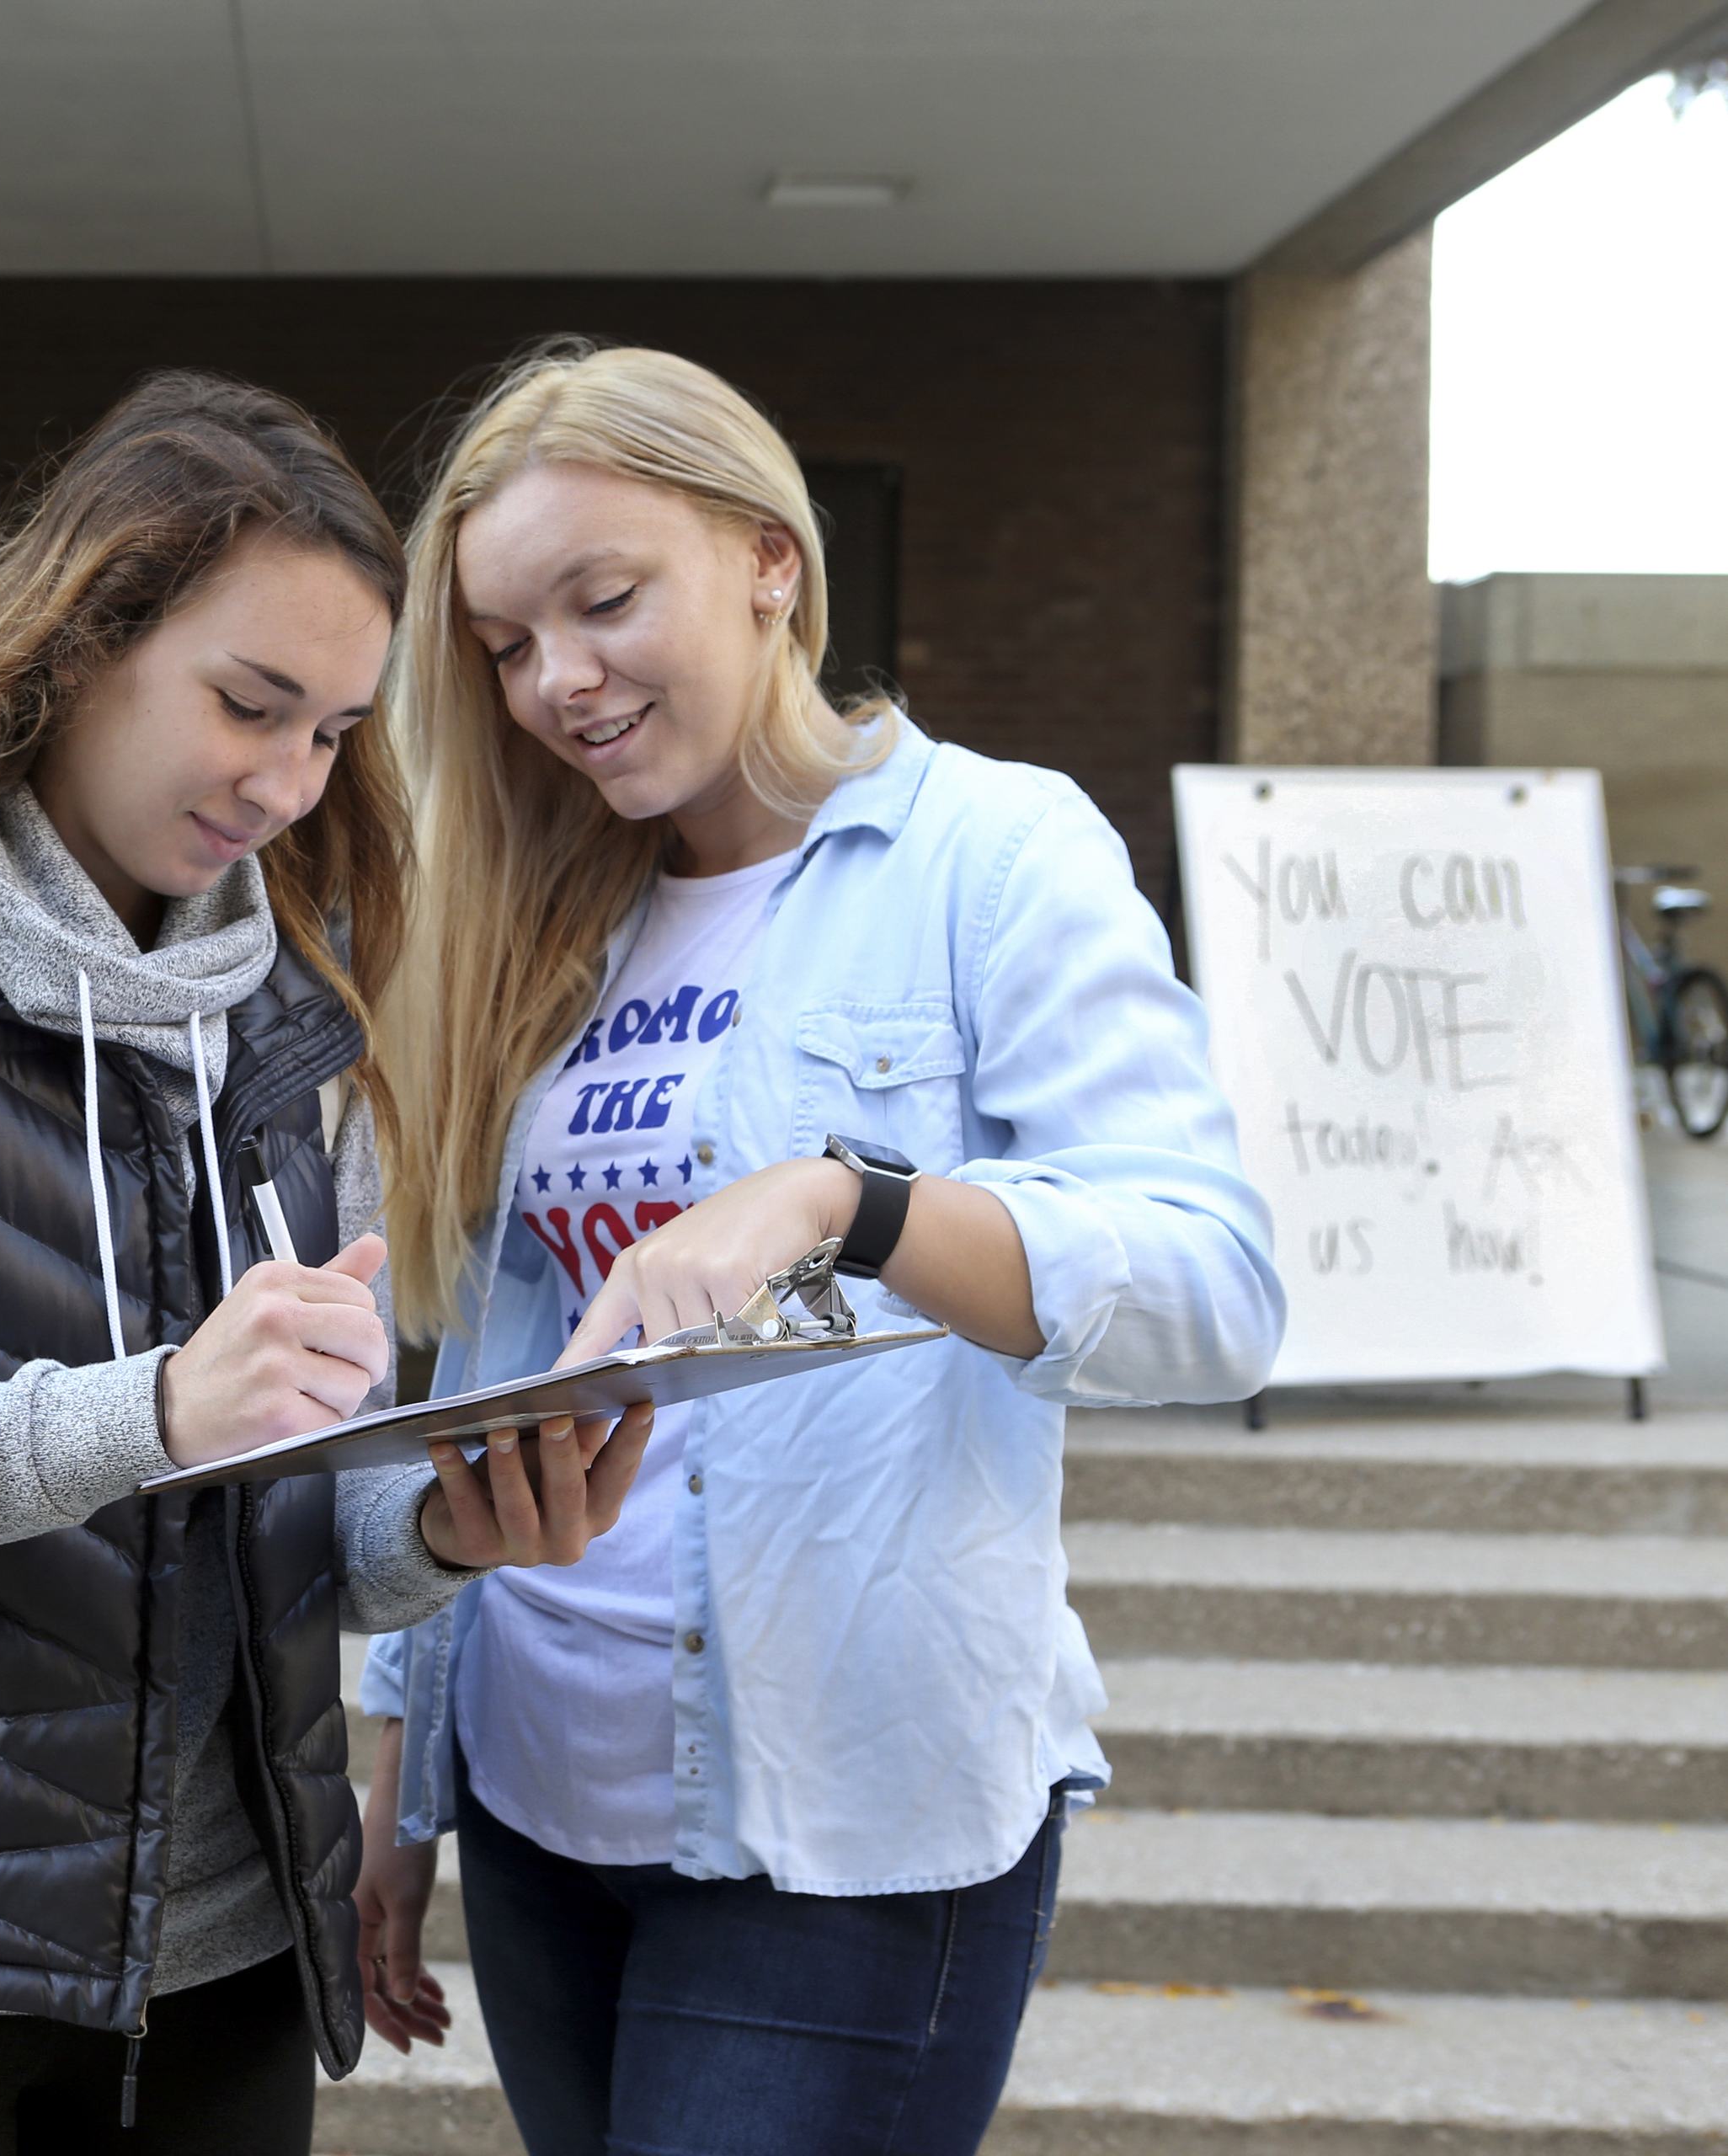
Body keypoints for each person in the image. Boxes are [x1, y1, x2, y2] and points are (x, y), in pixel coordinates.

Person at [0, 370, 650, 2156]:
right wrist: (163, 1402)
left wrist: (435, 1532)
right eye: (248, 704)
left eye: (332, 730)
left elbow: (294, 1501)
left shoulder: (301, 1020)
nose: (286, 780)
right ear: (80, 641)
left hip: (226, 1971)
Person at [355, 342, 1284, 2156]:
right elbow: (486, 1353)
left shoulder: (992, 855)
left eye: (605, 600)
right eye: (504, 644)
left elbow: (1214, 1290)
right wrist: (405, 1751)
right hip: (544, 1804)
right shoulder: (538, 904)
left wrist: (843, 1198)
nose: (559, 680)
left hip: (842, 1831)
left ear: (770, 555)